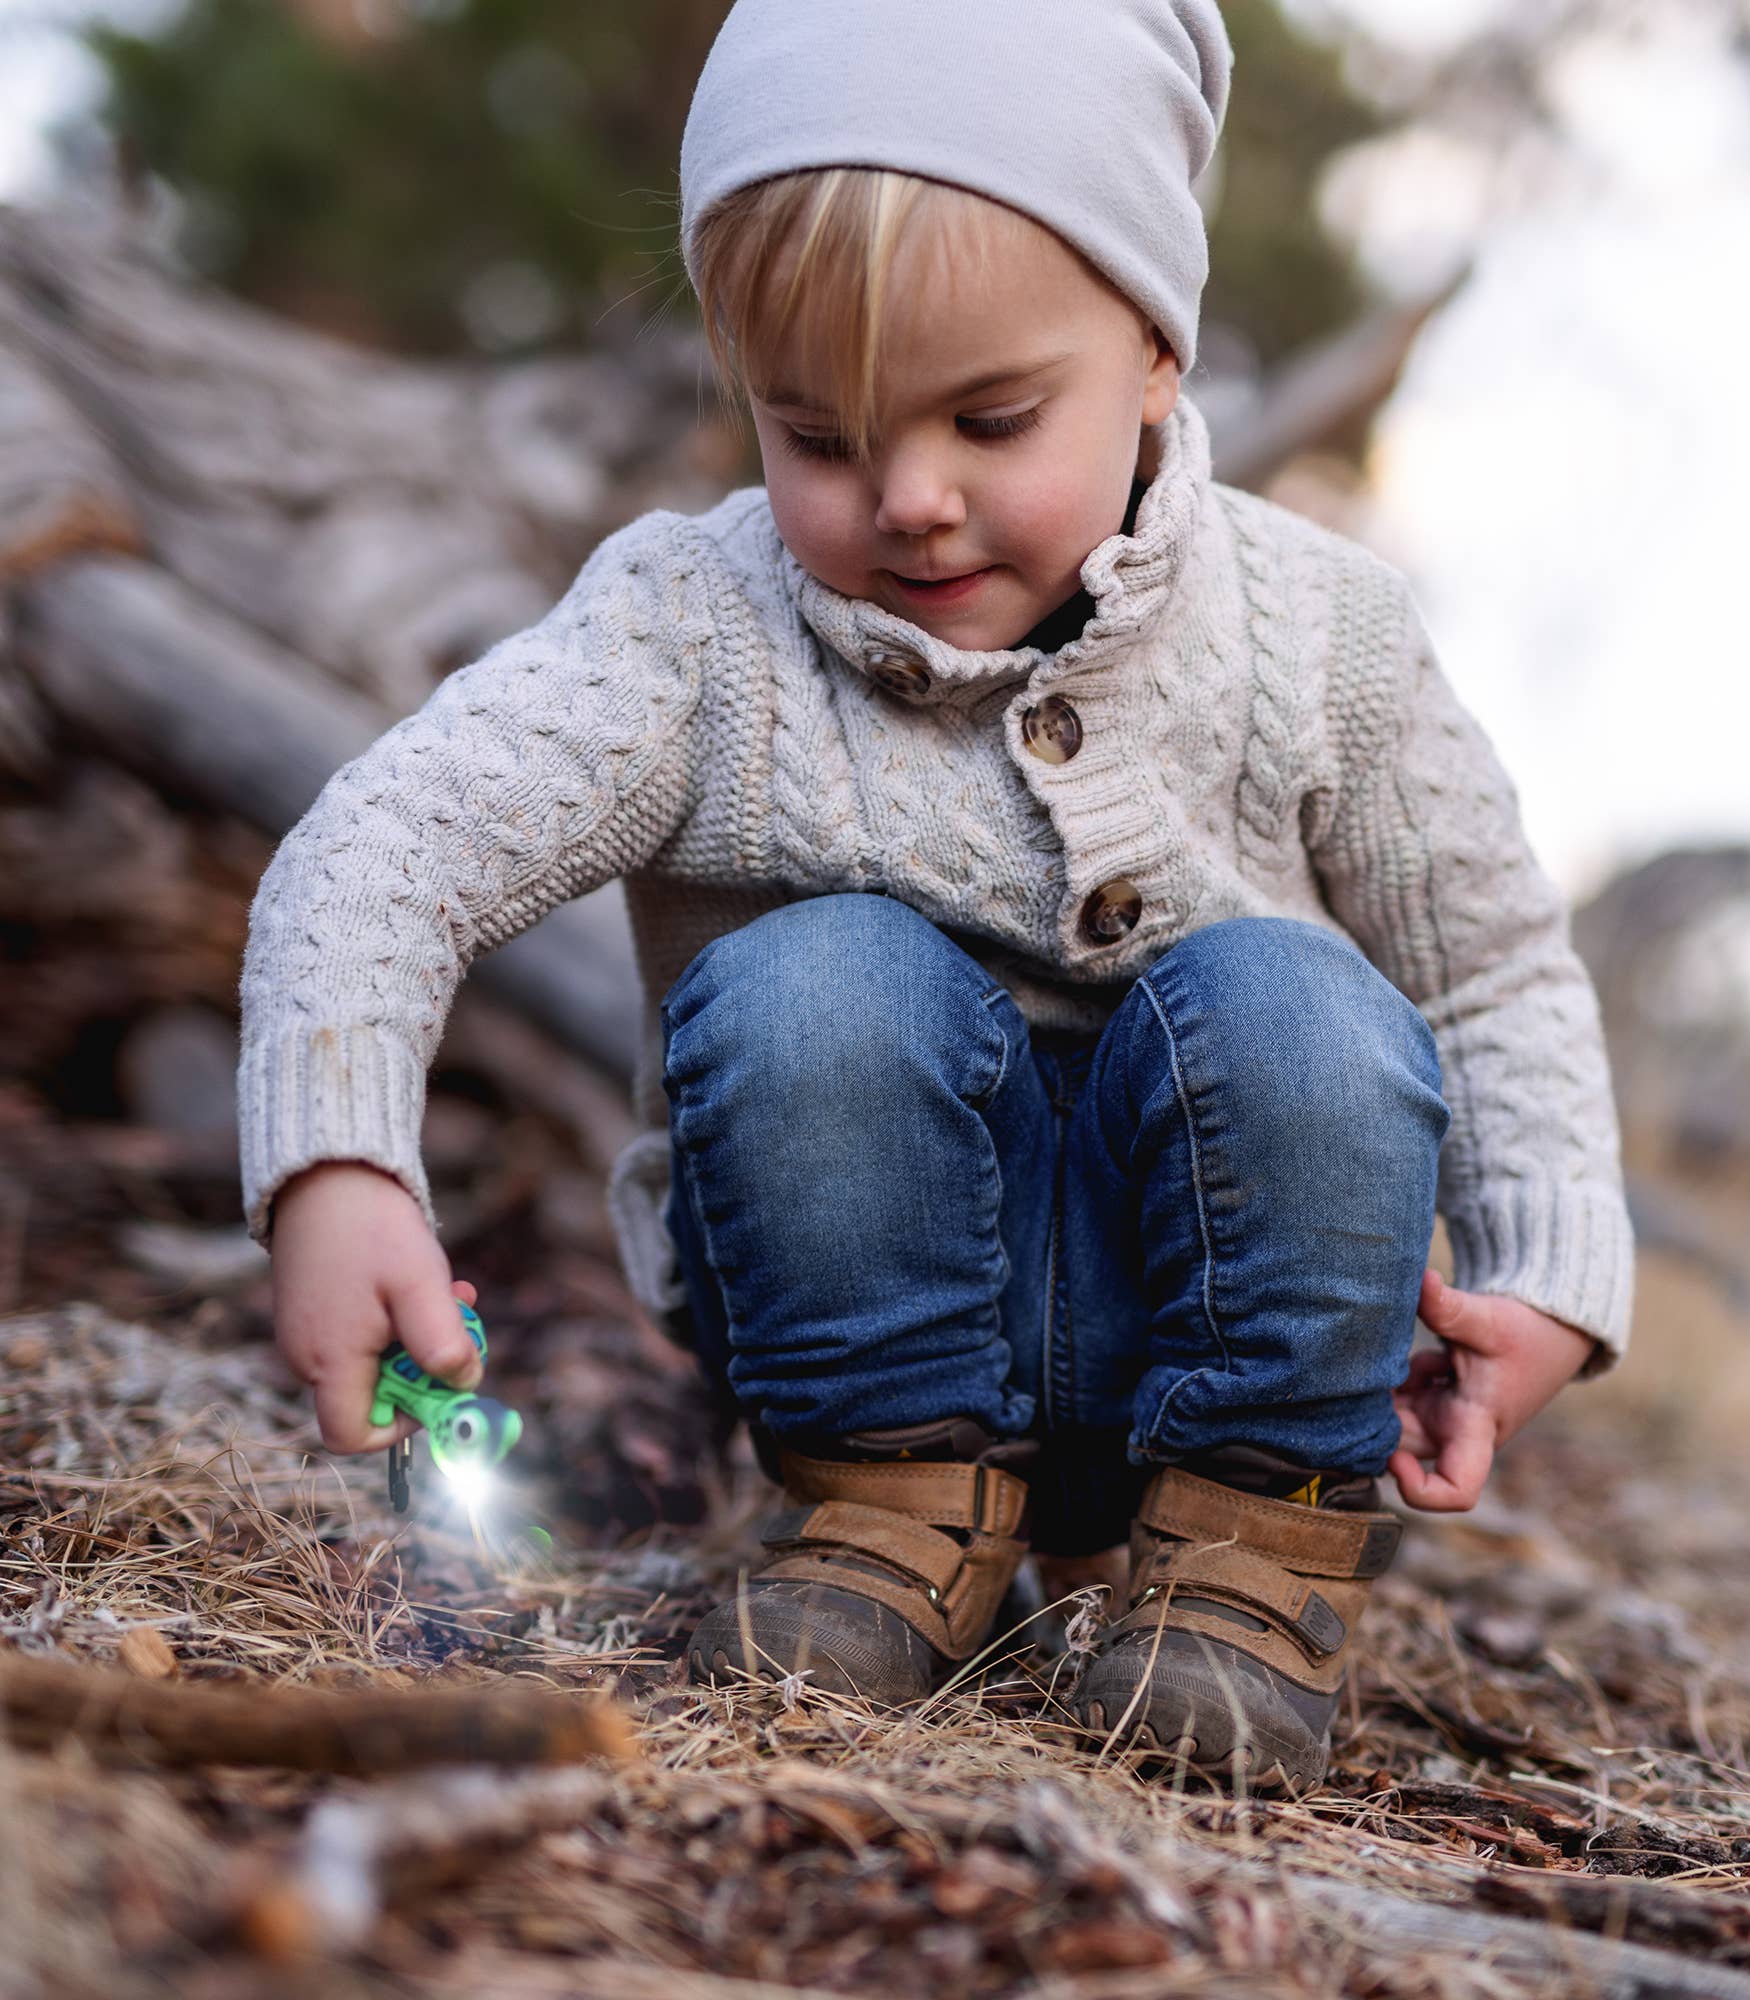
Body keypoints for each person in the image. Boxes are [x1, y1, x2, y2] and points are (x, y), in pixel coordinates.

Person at [239, 0, 1633, 1795]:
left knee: (1302, 1009)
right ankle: (885, 1520)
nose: (910, 500)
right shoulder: (696, 632)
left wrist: (1552, 1272)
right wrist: (339, 1159)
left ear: (1153, 350)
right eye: (813, 435)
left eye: (991, 418)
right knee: (813, 982)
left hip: (1214, 1322)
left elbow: (1498, 965)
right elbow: (388, 843)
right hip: (856, 1331)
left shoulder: (1322, 636)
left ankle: (1236, 1556)